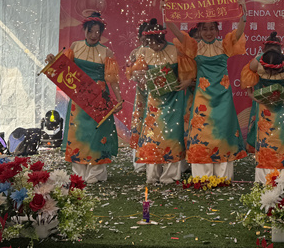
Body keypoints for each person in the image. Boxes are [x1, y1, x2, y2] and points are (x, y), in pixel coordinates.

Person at [165, 0, 248, 180]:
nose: (208, 32)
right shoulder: (195, 48)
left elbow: (240, 31)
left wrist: (243, 12)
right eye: (204, 29)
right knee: (202, 133)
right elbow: (176, 32)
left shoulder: (225, 46)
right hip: (202, 97)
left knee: (223, 133)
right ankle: (202, 177)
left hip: (223, 98)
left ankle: (222, 177)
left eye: (212, 28)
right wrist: (167, 15)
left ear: (217, 30)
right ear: (199, 31)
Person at [45, 12, 123, 184]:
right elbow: (63, 68)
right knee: (78, 134)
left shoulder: (107, 52)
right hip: (79, 99)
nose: (94, 35)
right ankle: (78, 174)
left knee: (97, 134)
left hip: (99, 98)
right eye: (91, 31)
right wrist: (52, 60)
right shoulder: (75, 46)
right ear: (85, 30)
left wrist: (119, 99)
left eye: (97, 32)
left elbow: (112, 80)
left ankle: (96, 173)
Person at [129, 18, 194, 184]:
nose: (154, 48)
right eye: (150, 44)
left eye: (156, 44)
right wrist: (140, 76)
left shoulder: (175, 50)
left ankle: (170, 176)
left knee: (172, 136)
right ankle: (152, 176)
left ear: (162, 39)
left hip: (174, 99)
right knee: (152, 137)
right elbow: (136, 73)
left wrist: (186, 81)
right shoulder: (144, 52)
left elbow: (188, 71)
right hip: (154, 102)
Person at [242, 40, 284, 183]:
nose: (271, 74)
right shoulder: (256, 62)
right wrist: (254, 97)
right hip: (265, 108)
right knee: (266, 140)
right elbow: (248, 83)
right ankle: (263, 178)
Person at [126, 22, 149, 173]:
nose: (146, 39)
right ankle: (140, 161)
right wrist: (136, 75)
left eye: (149, 35)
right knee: (140, 123)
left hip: (156, 94)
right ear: (139, 37)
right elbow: (129, 72)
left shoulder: (159, 52)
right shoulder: (135, 53)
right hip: (141, 94)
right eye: (143, 35)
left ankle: (155, 158)